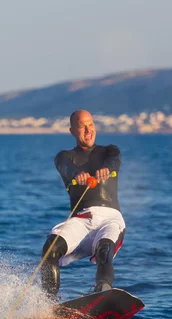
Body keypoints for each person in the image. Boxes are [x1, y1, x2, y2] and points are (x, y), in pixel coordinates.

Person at [41, 109, 125, 298]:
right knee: (50, 249)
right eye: (82, 127)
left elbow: (115, 160)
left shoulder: (109, 151)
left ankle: (102, 293)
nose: (88, 131)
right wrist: (76, 174)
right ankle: (47, 303)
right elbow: (65, 166)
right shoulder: (64, 156)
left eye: (91, 125)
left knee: (104, 249)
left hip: (110, 219)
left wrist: (106, 169)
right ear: (72, 131)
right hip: (82, 218)